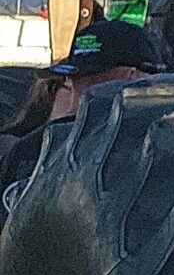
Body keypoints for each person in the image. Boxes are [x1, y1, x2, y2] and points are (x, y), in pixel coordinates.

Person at [0, 18, 165, 220]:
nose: (76, 94)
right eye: (72, 81)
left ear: (131, 78)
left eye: (88, 82)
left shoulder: (41, 148)